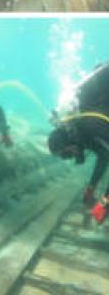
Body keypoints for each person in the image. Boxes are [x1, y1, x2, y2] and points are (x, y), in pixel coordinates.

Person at [48, 62, 109, 224]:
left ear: (69, 142)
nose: (71, 156)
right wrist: (91, 187)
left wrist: (105, 202)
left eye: (67, 153)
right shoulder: (80, 132)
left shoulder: (91, 127)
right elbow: (104, 156)